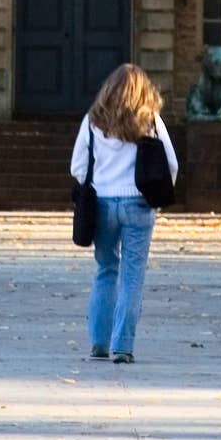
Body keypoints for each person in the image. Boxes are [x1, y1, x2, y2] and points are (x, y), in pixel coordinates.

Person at [71, 62, 179, 363]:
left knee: (106, 270)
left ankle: (99, 342)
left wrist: (98, 182)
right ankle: (123, 346)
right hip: (139, 204)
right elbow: (172, 164)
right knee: (133, 276)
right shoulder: (151, 122)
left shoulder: (93, 122)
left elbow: (77, 167)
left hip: (103, 203)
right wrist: (156, 195)